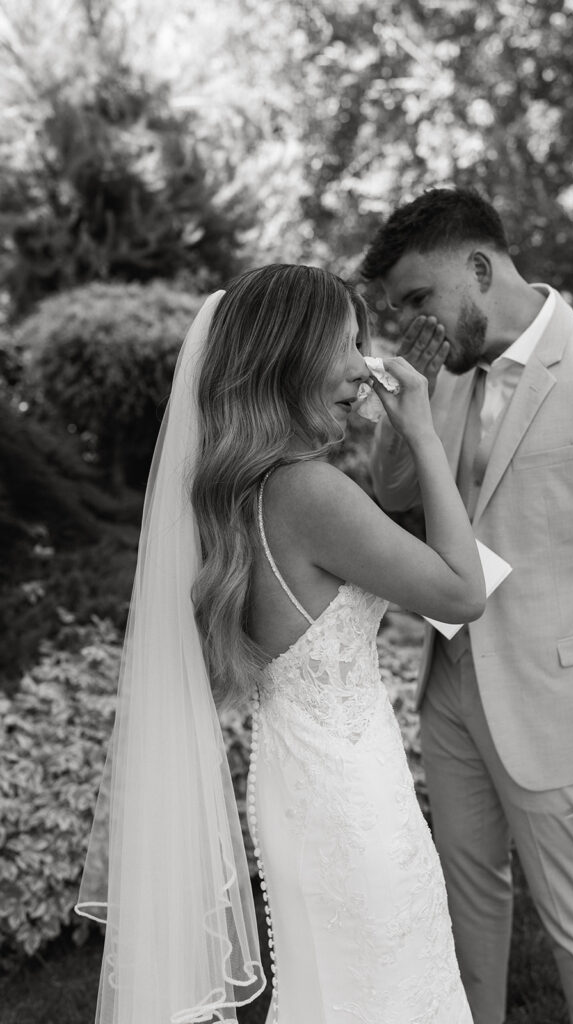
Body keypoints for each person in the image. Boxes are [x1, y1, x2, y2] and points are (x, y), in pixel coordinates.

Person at [77, 263, 487, 1024]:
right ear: (287, 356)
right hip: (349, 801)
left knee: (340, 991)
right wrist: (422, 432)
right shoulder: (309, 492)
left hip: (296, 786)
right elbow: (463, 593)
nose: (362, 368)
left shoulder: (236, 488)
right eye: (343, 344)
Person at [361, 186, 573, 1024]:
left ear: (479, 265)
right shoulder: (450, 373)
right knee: (465, 903)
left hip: (558, 697)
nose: (413, 325)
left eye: (419, 299)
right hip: (451, 685)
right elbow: (393, 493)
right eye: (399, 311)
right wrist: (409, 408)